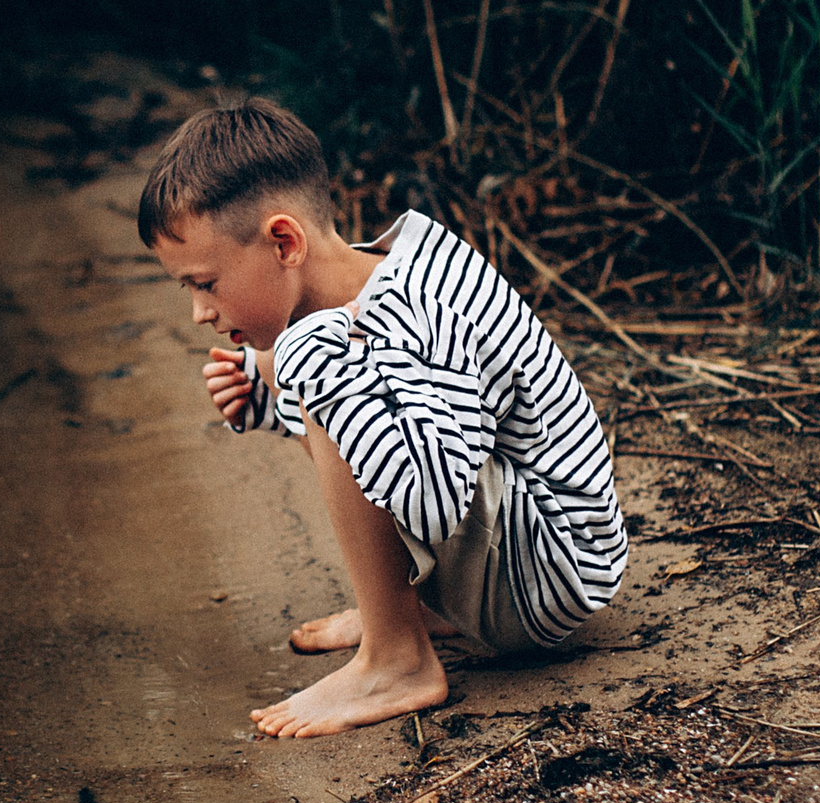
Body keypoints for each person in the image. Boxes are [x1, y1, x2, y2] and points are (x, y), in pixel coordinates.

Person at [140, 99, 627, 737]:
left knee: (311, 362)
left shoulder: (416, 311)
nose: (201, 313)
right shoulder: (376, 280)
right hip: (523, 543)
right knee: (308, 364)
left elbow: (433, 497)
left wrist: (294, 366)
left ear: (285, 242)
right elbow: (398, 440)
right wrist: (265, 396)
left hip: (548, 571)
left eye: (204, 284)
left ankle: (396, 658)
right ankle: (412, 608)